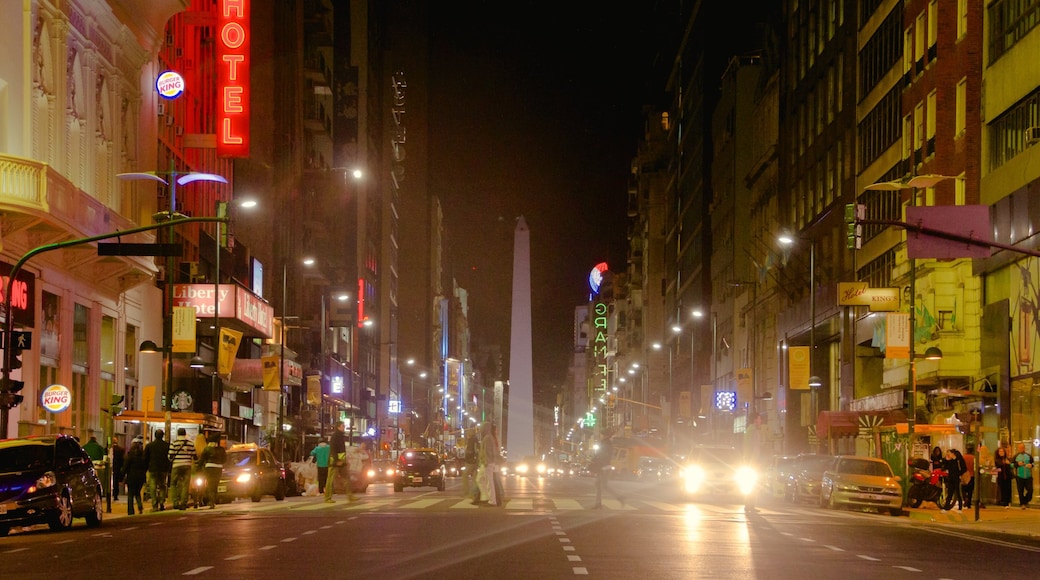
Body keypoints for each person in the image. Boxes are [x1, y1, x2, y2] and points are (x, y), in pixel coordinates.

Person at [590, 432, 623, 509]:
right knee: (599, 485)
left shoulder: (605, 444)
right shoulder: (607, 443)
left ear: (605, 435)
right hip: (603, 466)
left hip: (603, 467)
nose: (601, 436)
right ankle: (598, 503)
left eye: (602, 434)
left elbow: (602, 455)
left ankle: (619, 498)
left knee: (602, 485)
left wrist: (596, 461)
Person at [167, 427, 196, 510]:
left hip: (176, 466)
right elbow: (194, 455)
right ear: (185, 434)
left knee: (173, 483)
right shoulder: (190, 444)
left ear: (177, 434)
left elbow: (170, 456)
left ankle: (175, 502)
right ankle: (184, 502)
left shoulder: (174, 443)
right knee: (185, 484)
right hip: (187, 465)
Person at [144, 429, 171, 512]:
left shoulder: (150, 446)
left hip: (153, 468)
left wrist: (146, 468)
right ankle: (162, 502)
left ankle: (155, 504)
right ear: (162, 436)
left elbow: (145, 458)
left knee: (152, 487)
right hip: (163, 468)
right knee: (162, 486)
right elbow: (169, 458)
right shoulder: (166, 445)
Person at [198, 434, 226, 509]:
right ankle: (213, 500)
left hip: (209, 467)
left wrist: (199, 467)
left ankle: (211, 502)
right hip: (218, 468)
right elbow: (224, 460)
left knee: (210, 484)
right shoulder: (221, 449)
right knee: (215, 485)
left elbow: (202, 460)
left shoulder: (207, 449)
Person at [122, 436, 148, 515]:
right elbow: (145, 466)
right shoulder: (143, 456)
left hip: (131, 477)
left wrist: (121, 477)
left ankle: (130, 511)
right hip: (140, 477)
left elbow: (125, 467)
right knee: (137, 493)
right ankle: (140, 507)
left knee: (130, 495)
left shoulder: (130, 456)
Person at [325, 422, 346, 503]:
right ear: (338, 427)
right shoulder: (336, 436)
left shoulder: (340, 436)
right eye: (343, 426)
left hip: (340, 460)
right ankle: (327, 497)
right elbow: (333, 449)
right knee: (330, 479)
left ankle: (350, 495)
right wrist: (336, 460)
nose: (344, 427)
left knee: (346, 477)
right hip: (335, 460)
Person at [1013, 443, 1034, 509]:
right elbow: (1011, 465)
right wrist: (1018, 464)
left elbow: (1033, 463)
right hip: (1019, 476)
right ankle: (1022, 503)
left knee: (1030, 490)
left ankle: (1025, 500)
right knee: (1020, 491)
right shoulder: (1016, 456)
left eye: (1022, 447)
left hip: (1028, 476)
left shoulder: (1028, 456)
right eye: (1020, 448)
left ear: (1024, 448)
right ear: (1018, 448)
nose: (1021, 449)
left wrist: (1031, 465)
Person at [462, 432, 480, 501]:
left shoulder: (471, 441)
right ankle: (474, 493)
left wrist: (469, 459)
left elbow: (472, 451)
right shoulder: (475, 440)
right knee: (475, 478)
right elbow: (477, 450)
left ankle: (467, 493)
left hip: (471, 461)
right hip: (474, 461)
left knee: (465, 475)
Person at [962, 443, 976, 509]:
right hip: (972, 475)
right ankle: (969, 503)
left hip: (964, 475)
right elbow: (975, 467)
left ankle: (965, 499)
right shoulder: (973, 457)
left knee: (963, 489)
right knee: (970, 490)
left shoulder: (963, 457)